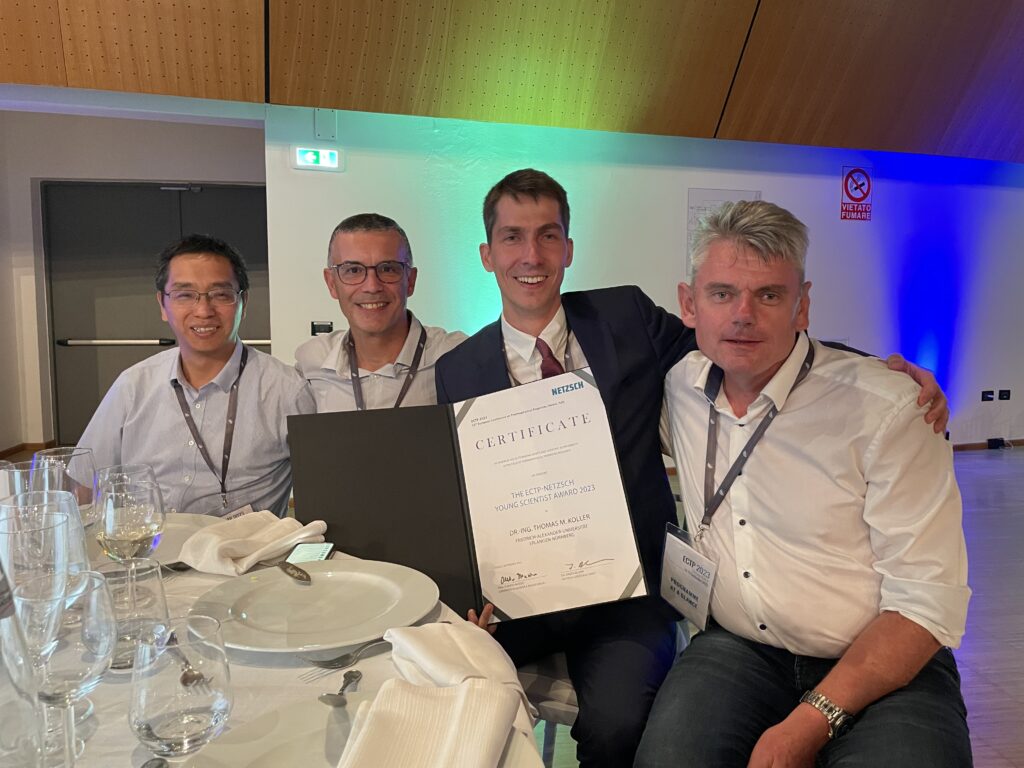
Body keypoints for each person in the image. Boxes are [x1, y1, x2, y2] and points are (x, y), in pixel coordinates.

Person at [435, 170, 951, 768]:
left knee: (621, 727)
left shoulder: (624, 316)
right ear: (486, 253)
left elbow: (750, 344)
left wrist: (881, 368)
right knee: (454, 697)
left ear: (569, 249)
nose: (531, 255)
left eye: (549, 236)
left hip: (626, 592)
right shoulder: (459, 369)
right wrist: (468, 594)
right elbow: (463, 493)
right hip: (523, 594)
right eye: (512, 238)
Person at [635, 200, 971, 767]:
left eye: (768, 295)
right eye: (721, 294)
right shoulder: (679, 386)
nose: (743, 314)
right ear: (689, 304)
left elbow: (924, 604)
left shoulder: (889, 411)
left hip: (884, 663)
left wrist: (808, 724)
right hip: (739, 649)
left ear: (802, 305)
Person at [79, 234, 315, 517]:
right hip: (145, 553)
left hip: (243, 556)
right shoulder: (133, 385)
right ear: (162, 305)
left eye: (220, 294)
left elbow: (321, 495)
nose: (203, 311)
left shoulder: (287, 391)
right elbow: (83, 485)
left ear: (243, 302)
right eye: (185, 295)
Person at [295, 213, 465, 411]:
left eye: (387, 269)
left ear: (410, 280)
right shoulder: (311, 365)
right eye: (353, 270)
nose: (372, 286)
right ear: (331, 283)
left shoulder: (457, 357)